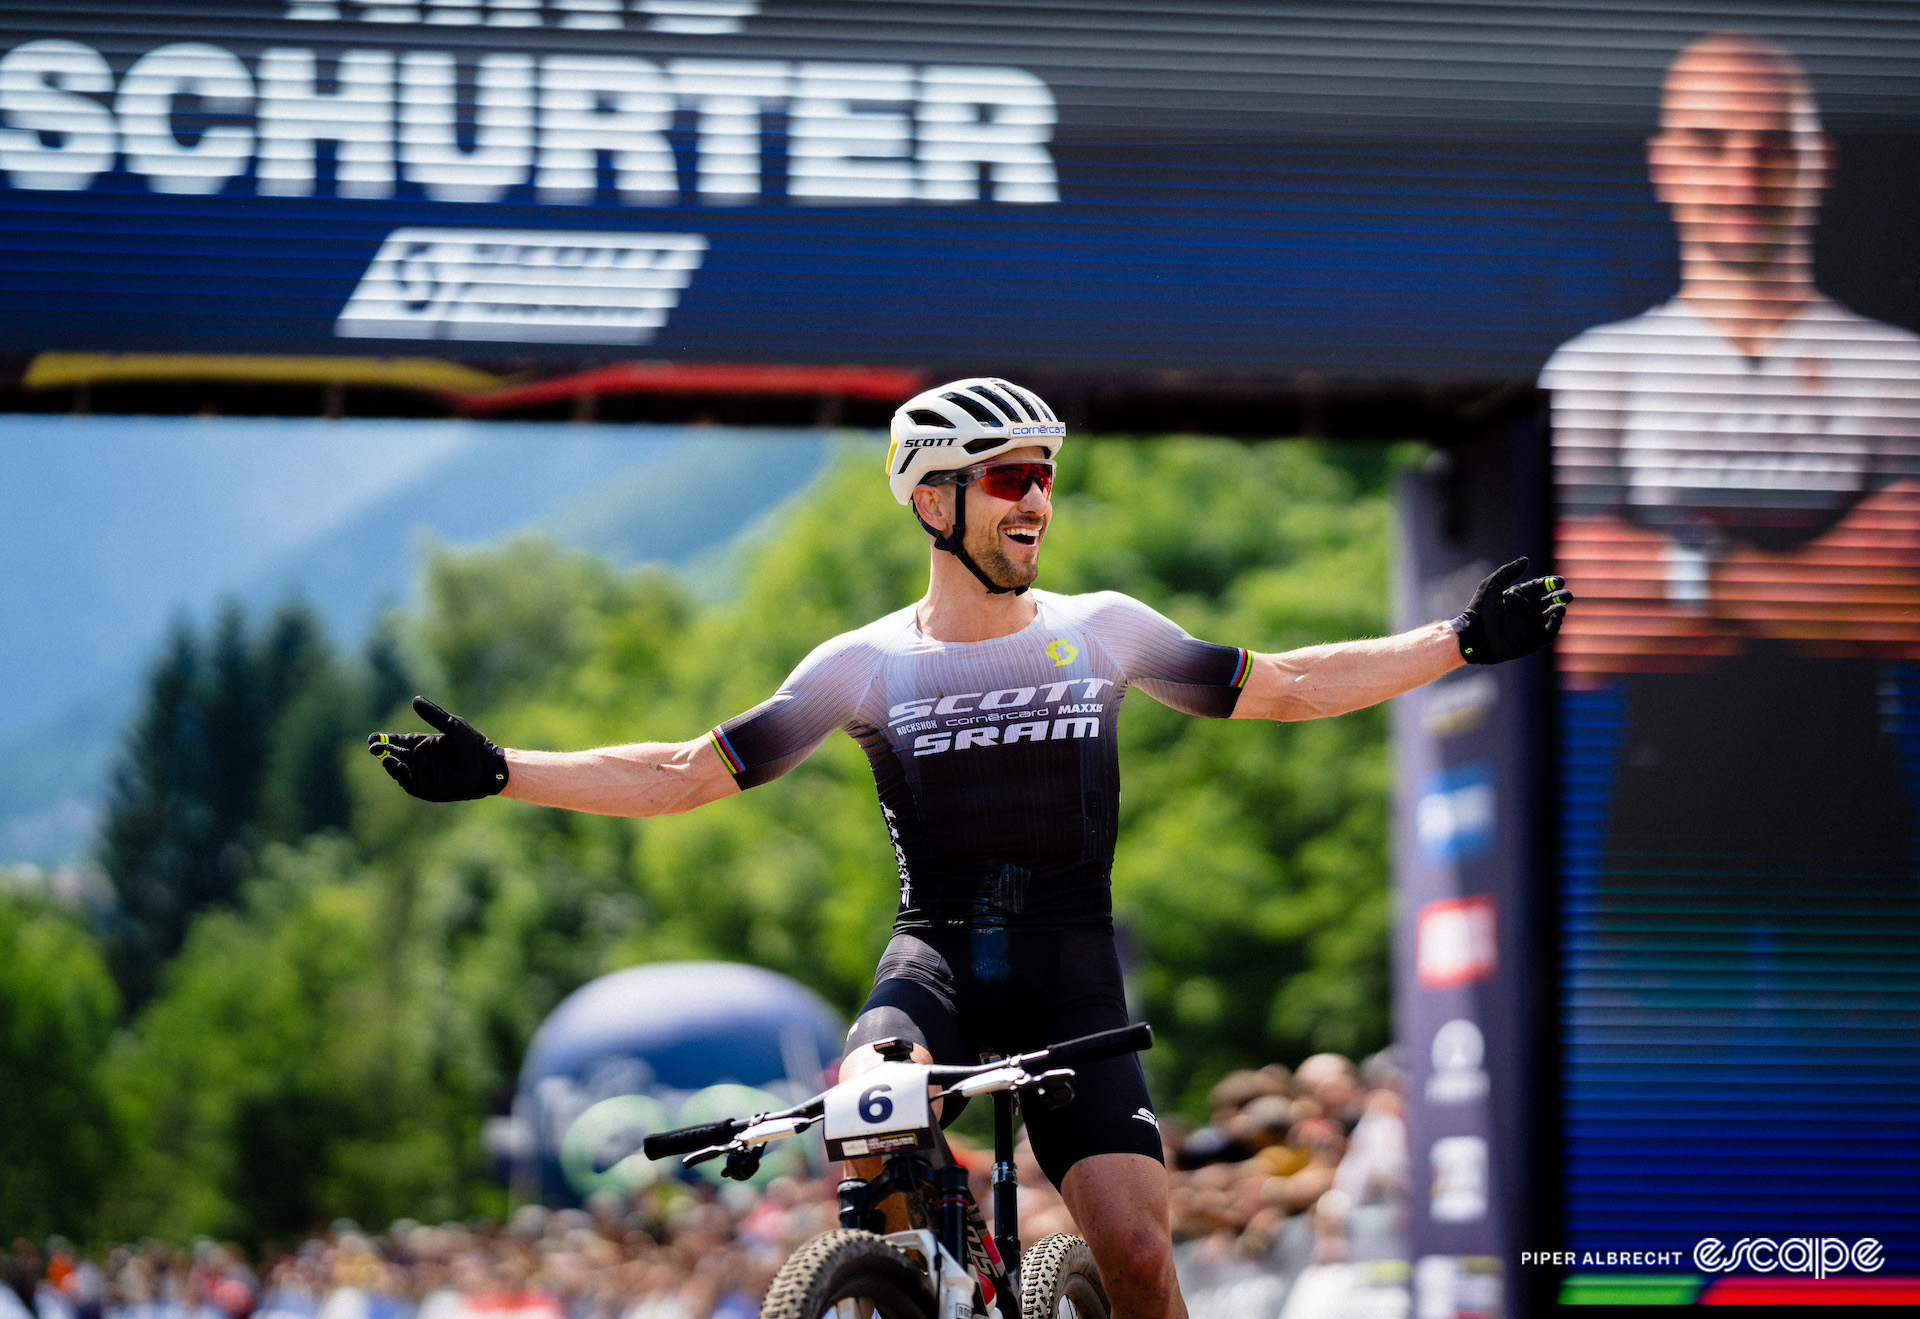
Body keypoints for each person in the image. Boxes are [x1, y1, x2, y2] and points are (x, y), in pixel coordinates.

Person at [369, 378, 1571, 1319]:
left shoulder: (1103, 632)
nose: (1036, 501)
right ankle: (915, 1276)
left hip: (1070, 966)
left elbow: (1290, 686)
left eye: (1045, 477)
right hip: (932, 956)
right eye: (1007, 478)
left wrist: (1458, 639)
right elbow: (688, 773)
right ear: (933, 500)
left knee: (1142, 1257)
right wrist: (506, 772)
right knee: (866, 1107)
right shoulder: (864, 664)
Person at [1540, 31, 1920, 683]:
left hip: (1857, 772)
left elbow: (1904, 618)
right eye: (1709, 144)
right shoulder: (1595, 374)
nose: (1743, 176)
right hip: (1653, 774)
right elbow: (1573, 638)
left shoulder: (1900, 372)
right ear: (1664, 165)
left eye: (1773, 145)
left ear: (1818, 163)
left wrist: (1676, 570)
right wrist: (1824, 587)